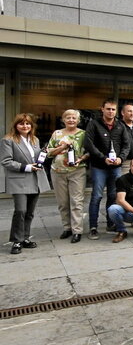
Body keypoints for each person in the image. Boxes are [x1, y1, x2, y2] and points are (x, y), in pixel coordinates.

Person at [1, 114, 51, 254]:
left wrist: (43, 153)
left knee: (29, 212)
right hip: (20, 179)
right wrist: (27, 167)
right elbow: (6, 161)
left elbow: (35, 157)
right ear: (16, 125)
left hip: (35, 179)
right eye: (21, 124)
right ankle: (16, 241)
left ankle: (25, 238)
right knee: (20, 210)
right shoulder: (8, 140)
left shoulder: (34, 139)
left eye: (28, 124)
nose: (25, 126)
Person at [84, 99, 131, 239]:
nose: (111, 112)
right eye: (108, 109)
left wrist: (121, 158)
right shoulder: (93, 124)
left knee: (113, 195)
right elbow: (89, 143)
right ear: (102, 109)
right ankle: (93, 226)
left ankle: (111, 223)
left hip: (115, 167)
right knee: (97, 196)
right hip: (99, 166)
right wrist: (102, 157)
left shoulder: (120, 125)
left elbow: (126, 145)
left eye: (113, 109)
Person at [47, 109, 89, 243]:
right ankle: (67, 228)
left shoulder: (83, 134)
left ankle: (77, 230)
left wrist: (81, 159)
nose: (71, 120)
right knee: (63, 202)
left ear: (78, 120)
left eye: (74, 118)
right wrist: (62, 147)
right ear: (63, 120)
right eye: (68, 118)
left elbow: (89, 151)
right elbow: (48, 152)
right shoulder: (57, 134)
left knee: (76, 201)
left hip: (77, 171)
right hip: (58, 171)